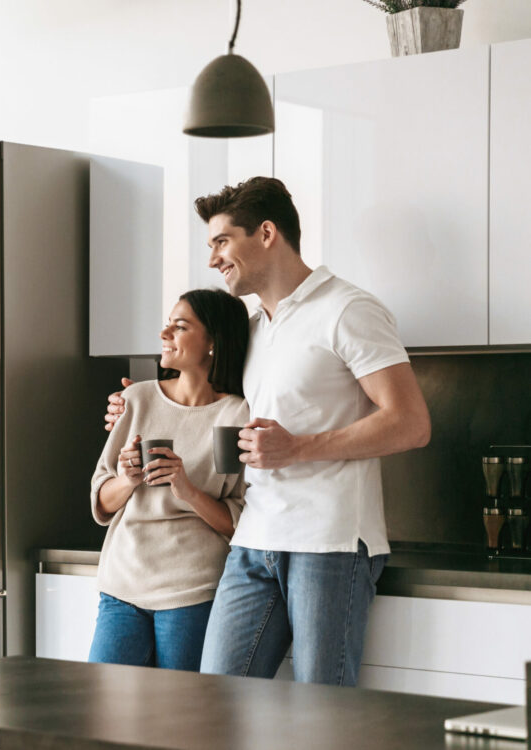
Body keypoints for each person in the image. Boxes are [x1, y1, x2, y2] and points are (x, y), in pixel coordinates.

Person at [103, 177, 431, 686]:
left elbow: (411, 423)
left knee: (322, 713)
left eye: (221, 242)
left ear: (267, 233)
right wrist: (132, 403)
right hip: (254, 540)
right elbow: (204, 405)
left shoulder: (348, 310)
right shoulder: (253, 330)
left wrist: (298, 448)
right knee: (214, 702)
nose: (212, 259)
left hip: (330, 543)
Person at [88, 288, 250, 671]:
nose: (164, 335)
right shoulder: (138, 400)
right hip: (122, 586)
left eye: (179, 327)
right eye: (167, 325)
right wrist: (127, 480)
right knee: (104, 710)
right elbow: (101, 500)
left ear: (213, 342)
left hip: (192, 592)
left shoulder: (237, 414)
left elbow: (237, 522)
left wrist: (187, 489)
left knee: (181, 720)